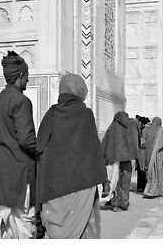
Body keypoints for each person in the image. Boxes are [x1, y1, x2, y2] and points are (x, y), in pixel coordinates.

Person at [36, 73, 107, 238]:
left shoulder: (51, 114)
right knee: (85, 229)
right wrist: (103, 179)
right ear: (81, 91)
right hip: (82, 184)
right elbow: (93, 150)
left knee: (57, 231)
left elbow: (40, 149)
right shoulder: (85, 114)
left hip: (53, 186)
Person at [0, 51, 37, 239]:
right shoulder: (21, 101)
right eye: (27, 76)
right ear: (20, 76)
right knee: (23, 225)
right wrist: (43, 151)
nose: (28, 81)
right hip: (18, 173)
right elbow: (26, 139)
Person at [101, 111, 140, 212]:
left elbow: (105, 143)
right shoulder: (130, 126)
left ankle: (115, 203)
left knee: (116, 181)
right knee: (125, 181)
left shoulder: (113, 127)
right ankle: (124, 203)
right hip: (127, 159)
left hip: (114, 159)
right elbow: (134, 142)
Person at [143, 117, 163, 198]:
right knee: (158, 172)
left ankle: (149, 189)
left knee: (151, 173)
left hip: (149, 155)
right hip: (159, 155)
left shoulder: (148, 130)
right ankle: (157, 190)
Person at [134, 115, 150, 192]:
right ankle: (141, 186)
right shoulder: (139, 131)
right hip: (141, 152)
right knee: (141, 169)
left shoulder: (142, 131)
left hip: (142, 152)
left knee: (142, 169)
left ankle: (142, 186)